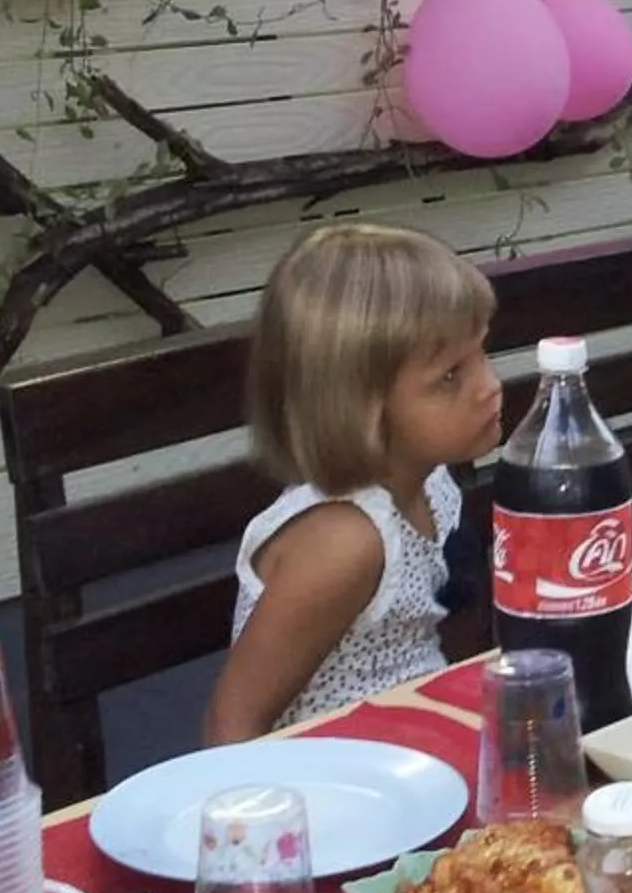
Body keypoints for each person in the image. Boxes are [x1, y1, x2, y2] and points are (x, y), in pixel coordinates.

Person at [211, 222, 503, 741]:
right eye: (451, 376)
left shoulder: (433, 484)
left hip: (413, 745)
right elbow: (232, 725)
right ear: (361, 409)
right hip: (328, 781)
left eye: (482, 352)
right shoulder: (343, 542)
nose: (489, 386)